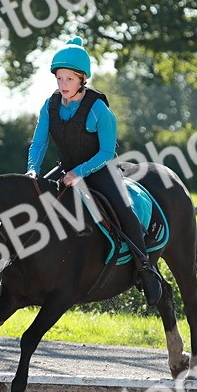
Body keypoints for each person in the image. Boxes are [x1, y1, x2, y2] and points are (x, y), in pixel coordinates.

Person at [26, 36, 164, 306]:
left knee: (124, 210)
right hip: (67, 169)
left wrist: (79, 172)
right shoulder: (49, 106)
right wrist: (32, 171)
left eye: (69, 79)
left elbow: (105, 152)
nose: (63, 85)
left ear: (82, 79)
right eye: (59, 79)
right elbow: (39, 143)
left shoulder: (99, 109)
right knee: (38, 202)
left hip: (101, 169)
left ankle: (146, 267)